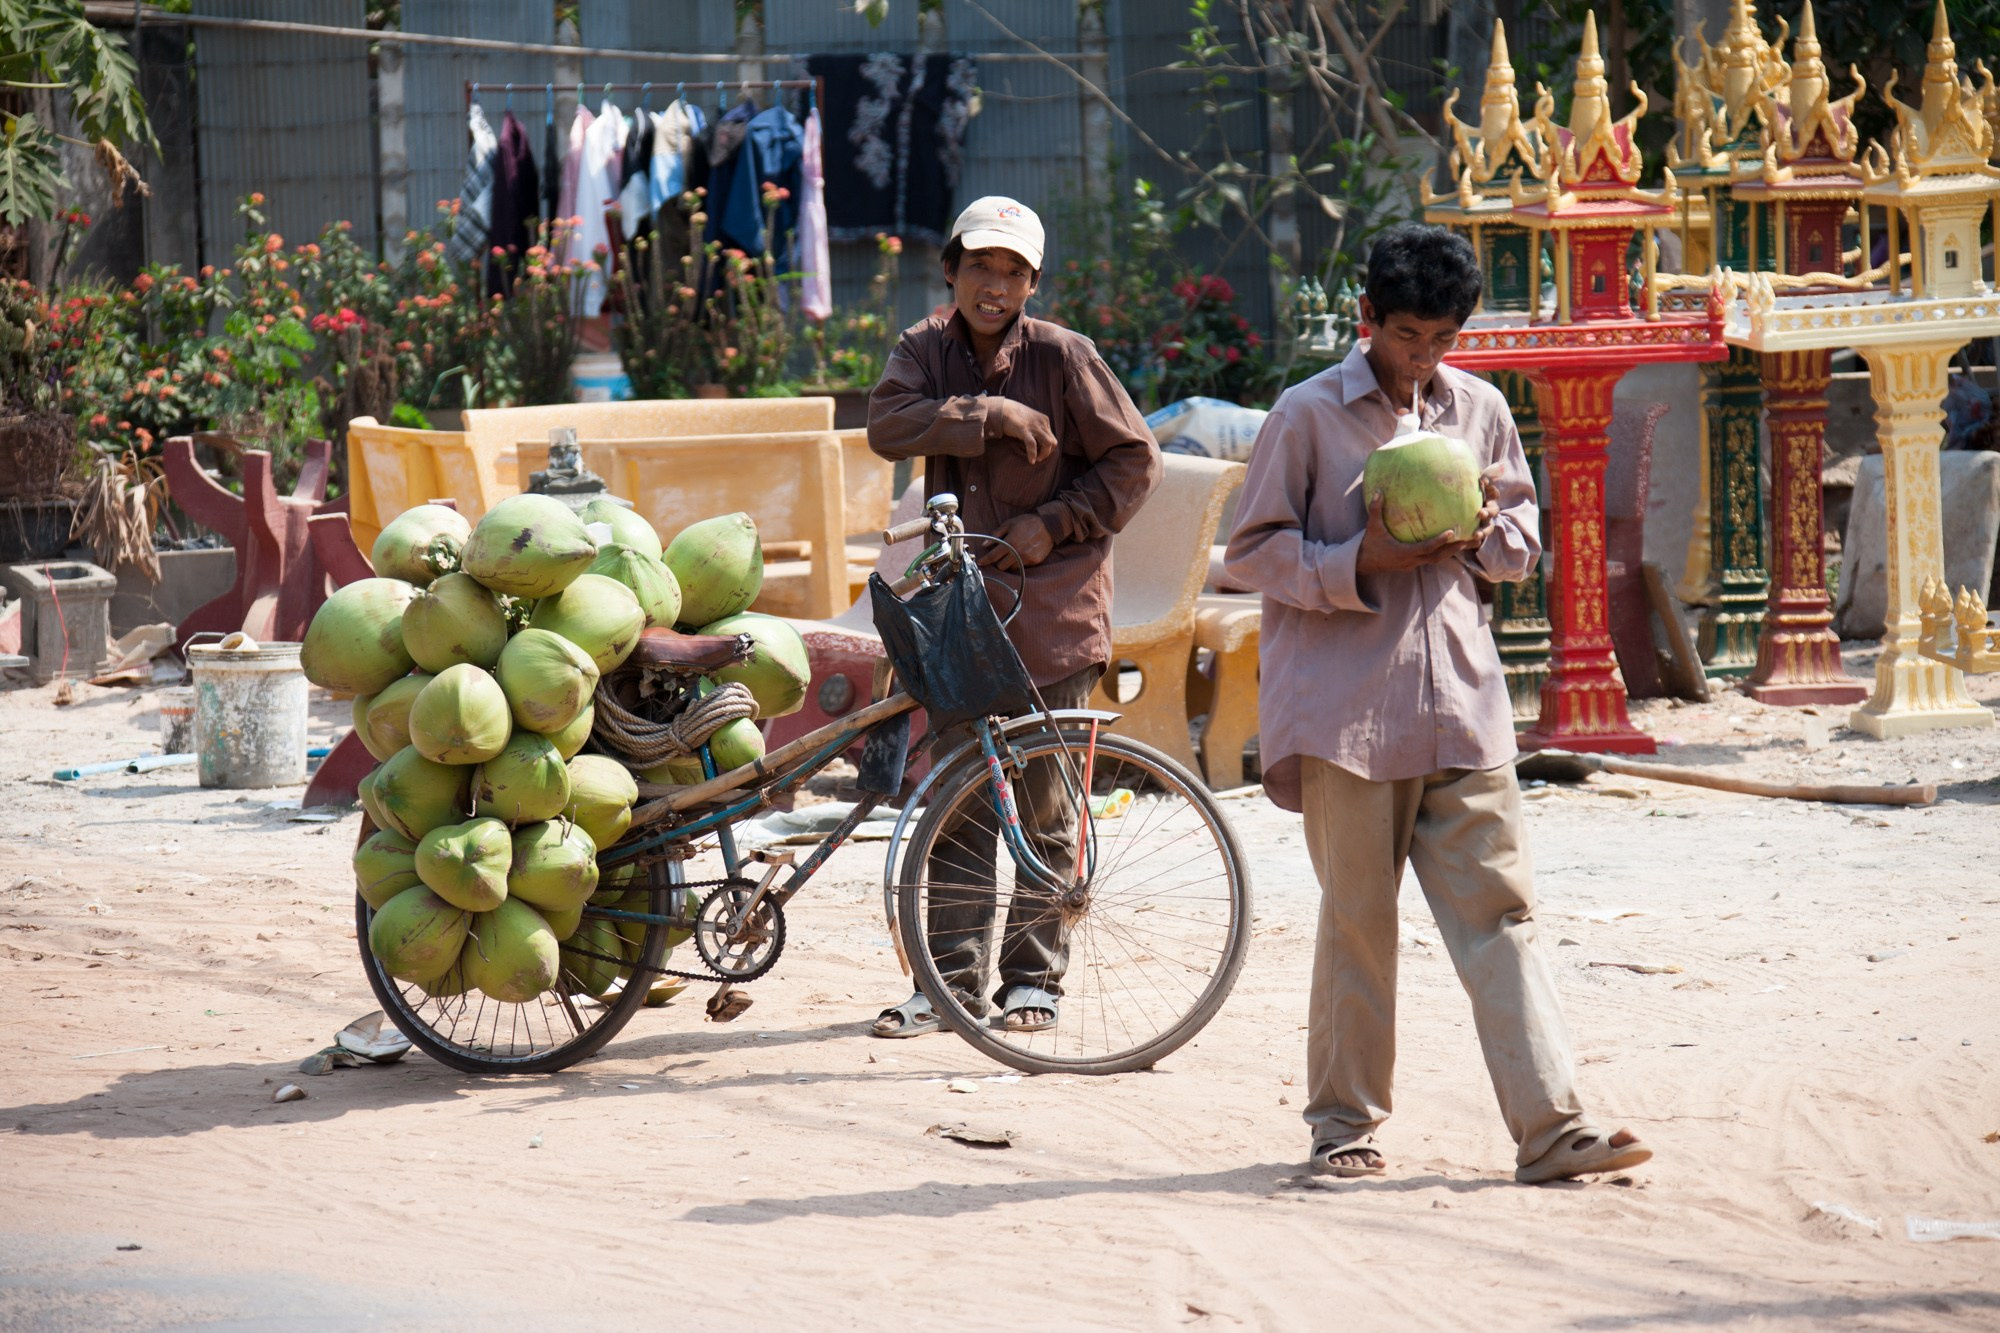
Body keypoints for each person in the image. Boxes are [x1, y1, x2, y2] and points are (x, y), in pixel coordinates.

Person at [1223, 222, 1653, 1184]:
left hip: (1462, 701)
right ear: (1369, 317)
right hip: (1347, 716)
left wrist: (1481, 533)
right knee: (1358, 925)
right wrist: (1358, 559)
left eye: (1442, 340)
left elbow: (1520, 536)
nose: (1423, 357)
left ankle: (1553, 1129)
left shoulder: (1481, 409)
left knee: (1501, 917)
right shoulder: (1305, 415)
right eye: (1409, 335)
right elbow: (1251, 552)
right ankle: (1343, 1126)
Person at [863, 196, 1162, 1038]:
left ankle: (1034, 980)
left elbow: (1134, 462)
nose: (995, 286)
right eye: (980, 268)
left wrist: (1053, 523)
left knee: (1046, 803)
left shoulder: (1066, 356)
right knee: (959, 798)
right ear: (951, 270)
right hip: (965, 608)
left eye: (1013, 272)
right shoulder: (924, 348)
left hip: (1055, 608)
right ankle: (948, 984)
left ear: (1033, 282)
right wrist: (986, 413)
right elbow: (887, 424)